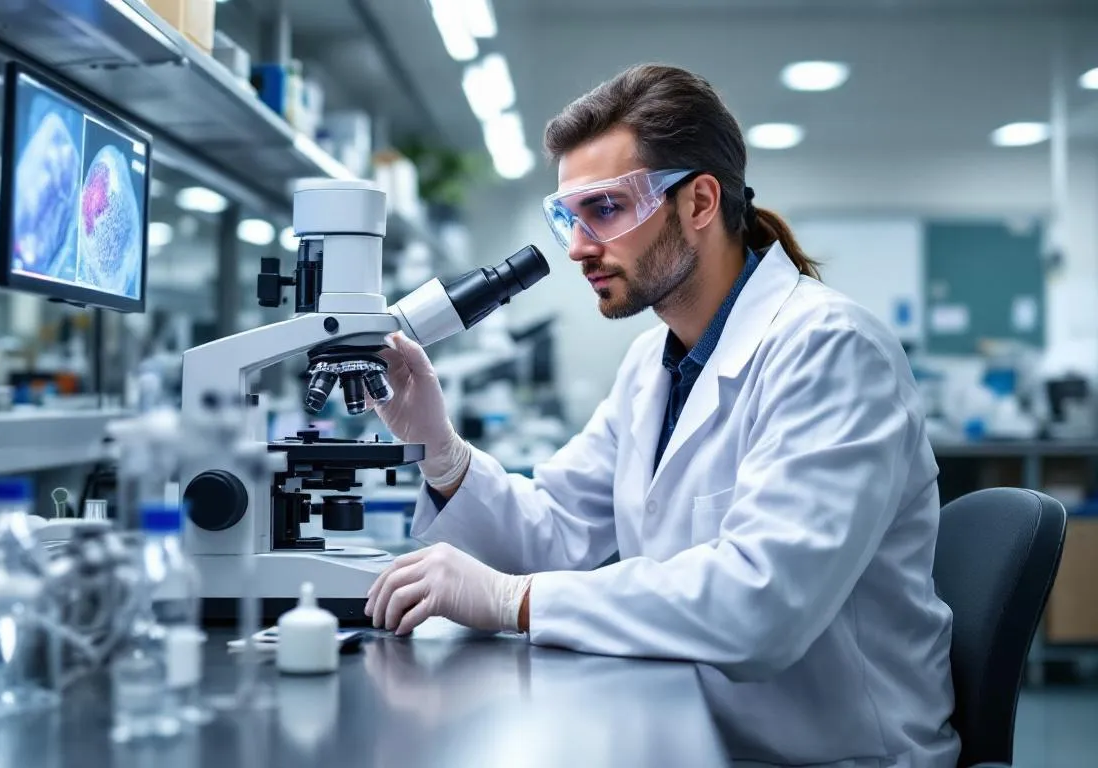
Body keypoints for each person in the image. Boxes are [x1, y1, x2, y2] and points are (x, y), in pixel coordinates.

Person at [364, 64, 958, 767]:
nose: (580, 246)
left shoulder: (831, 349)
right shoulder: (655, 363)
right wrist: (441, 450)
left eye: (606, 209)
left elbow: (760, 604)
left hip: (828, 753)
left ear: (700, 201)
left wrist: (514, 600)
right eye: (567, 218)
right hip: (696, 728)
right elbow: (555, 532)